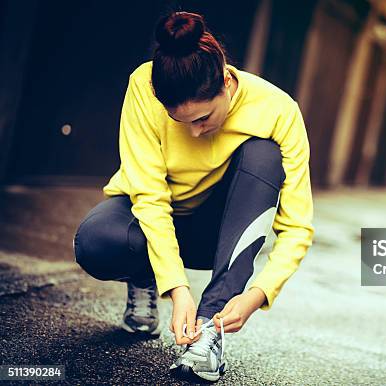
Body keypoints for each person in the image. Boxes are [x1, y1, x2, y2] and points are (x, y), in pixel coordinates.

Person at [72, 11, 314, 382]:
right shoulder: (143, 83)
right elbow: (149, 196)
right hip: (149, 215)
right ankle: (144, 274)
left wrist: (258, 294)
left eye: (203, 118)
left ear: (227, 83)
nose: (196, 133)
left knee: (265, 153)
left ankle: (208, 332)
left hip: (213, 233)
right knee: (96, 243)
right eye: (181, 122)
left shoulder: (279, 110)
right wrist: (176, 287)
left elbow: (297, 226)